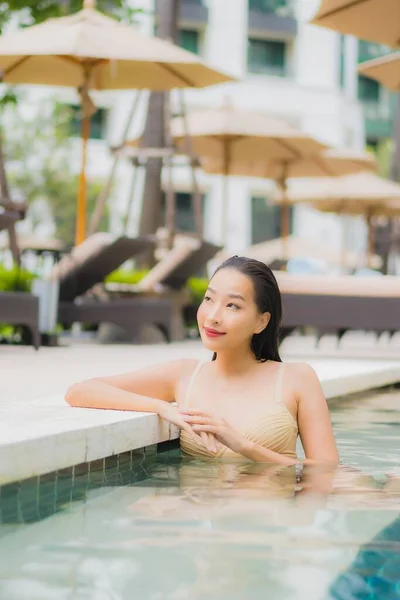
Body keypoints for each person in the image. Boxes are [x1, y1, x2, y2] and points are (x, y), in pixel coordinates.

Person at [65, 255, 339, 466]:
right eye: (209, 299)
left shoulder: (296, 378)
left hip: (265, 526)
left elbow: (326, 471)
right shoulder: (184, 375)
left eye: (232, 305)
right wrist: (162, 407)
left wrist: (244, 446)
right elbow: (80, 391)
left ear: (261, 321)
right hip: (201, 524)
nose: (213, 316)